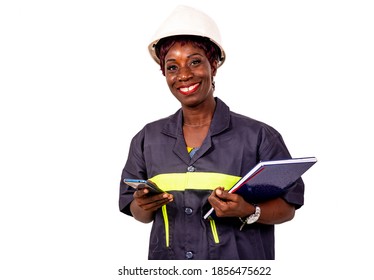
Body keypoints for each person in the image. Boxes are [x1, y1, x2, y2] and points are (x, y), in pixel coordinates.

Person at [119, 5, 304, 260]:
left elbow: (288, 207)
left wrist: (248, 210)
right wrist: (142, 205)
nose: (183, 75)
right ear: (164, 73)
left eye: (195, 62)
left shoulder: (260, 136)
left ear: (214, 65)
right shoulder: (147, 139)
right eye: (172, 67)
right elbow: (137, 212)